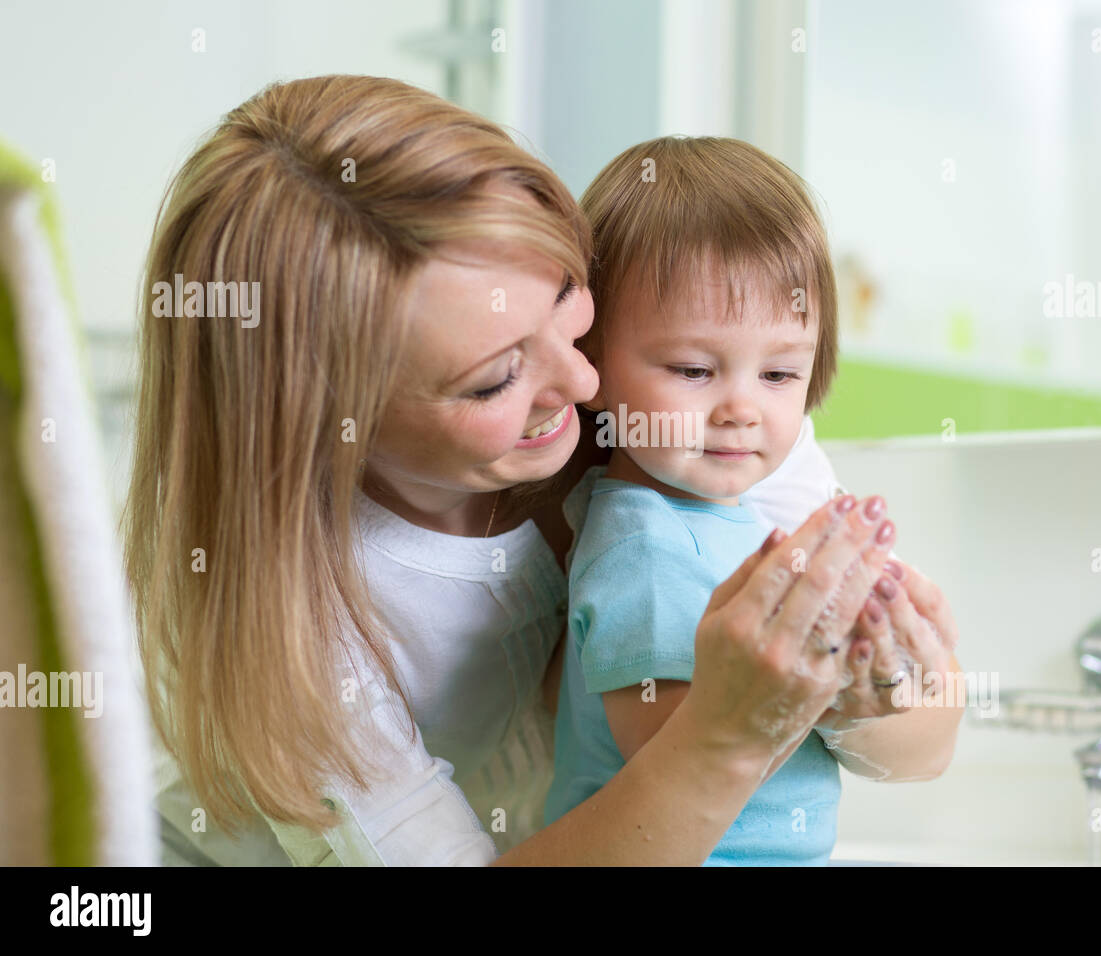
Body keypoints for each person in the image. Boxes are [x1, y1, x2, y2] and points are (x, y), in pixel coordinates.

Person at [128, 75, 961, 866]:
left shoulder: (687, 402)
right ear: (326, 422)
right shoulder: (301, 632)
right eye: (495, 378)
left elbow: (927, 739)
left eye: (568, 295)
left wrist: (870, 701)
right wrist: (730, 735)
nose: (585, 383)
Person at [544, 137, 961, 865]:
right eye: (694, 369)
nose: (741, 407)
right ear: (594, 368)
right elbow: (674, 755)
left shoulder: (752, 522)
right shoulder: (643, 546)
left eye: (777, 375)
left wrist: (879, 674)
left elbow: (923, 750)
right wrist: (827, 678)